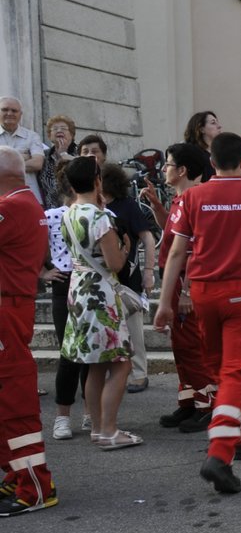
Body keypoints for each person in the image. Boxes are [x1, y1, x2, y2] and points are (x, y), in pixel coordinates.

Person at [153, 133, 241, 494]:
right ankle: (220, 453)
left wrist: (166, 302)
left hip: (202, 295)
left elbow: (176, 253)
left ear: (211, 162)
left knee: (217, 369)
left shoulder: (193, 197)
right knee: (238, 371)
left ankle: (240, 434)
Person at [57, 156, 137, 449]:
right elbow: (115, 262)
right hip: (100, 294)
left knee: (95, 365)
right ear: (97, 181)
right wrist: (125, 249)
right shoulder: (101, 217)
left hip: (79, 290)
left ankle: (98, 428)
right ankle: (109, 430)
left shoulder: (69, 211)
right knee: (121, 363)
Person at [0, 147, 57, 516]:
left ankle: (34, 486)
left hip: (6, 307)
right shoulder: (26, 203)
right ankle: (14, 472)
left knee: (14, 400)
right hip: (11, 305)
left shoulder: (13, 207)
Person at [152, 143, 216, 430]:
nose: (164, 169)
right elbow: (173, 234)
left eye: (168, 164)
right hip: (174, 280)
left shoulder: (194, 199)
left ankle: (207, 405)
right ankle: (188, 402)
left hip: (184, 282)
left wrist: (188, 290)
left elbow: (193, 250)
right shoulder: (180, 200)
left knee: (191, 346)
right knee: (180, 345)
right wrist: (156, 207)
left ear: (182, 170)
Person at [99, 164, 158, 393]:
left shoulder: (127, 205)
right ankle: (112, 373)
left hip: (127, 278)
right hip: (101, 278)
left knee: (134, 330)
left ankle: (139, 373)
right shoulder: (92, 207)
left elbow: (149, 239)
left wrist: (149, 272)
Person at [43, 178, 85, 441]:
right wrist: (42, 271)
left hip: (91, 282)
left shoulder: (100, 213)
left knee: (94, 356)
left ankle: (92, 413)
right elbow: (29, 243)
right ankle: (62, 417)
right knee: (68, 353)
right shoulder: (51, 216)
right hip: (63, 282)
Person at [0, 96, 47, 200]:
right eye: (5, 109)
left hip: (29, 196)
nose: (9, 113)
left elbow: (37, 163)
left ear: (20, 114)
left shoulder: (32, 136)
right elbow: (32, 162)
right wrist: (22, 157)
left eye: (14, 110)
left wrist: (4, 165)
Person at [39, 113, 76, 211]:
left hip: (73, 209)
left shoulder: (79, 153)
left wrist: (63, 154)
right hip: (50, 211)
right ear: (49, 136)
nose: (59, 130)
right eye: (55, 129)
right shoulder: (44, 155)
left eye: (63, 128)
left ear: (71, 134)